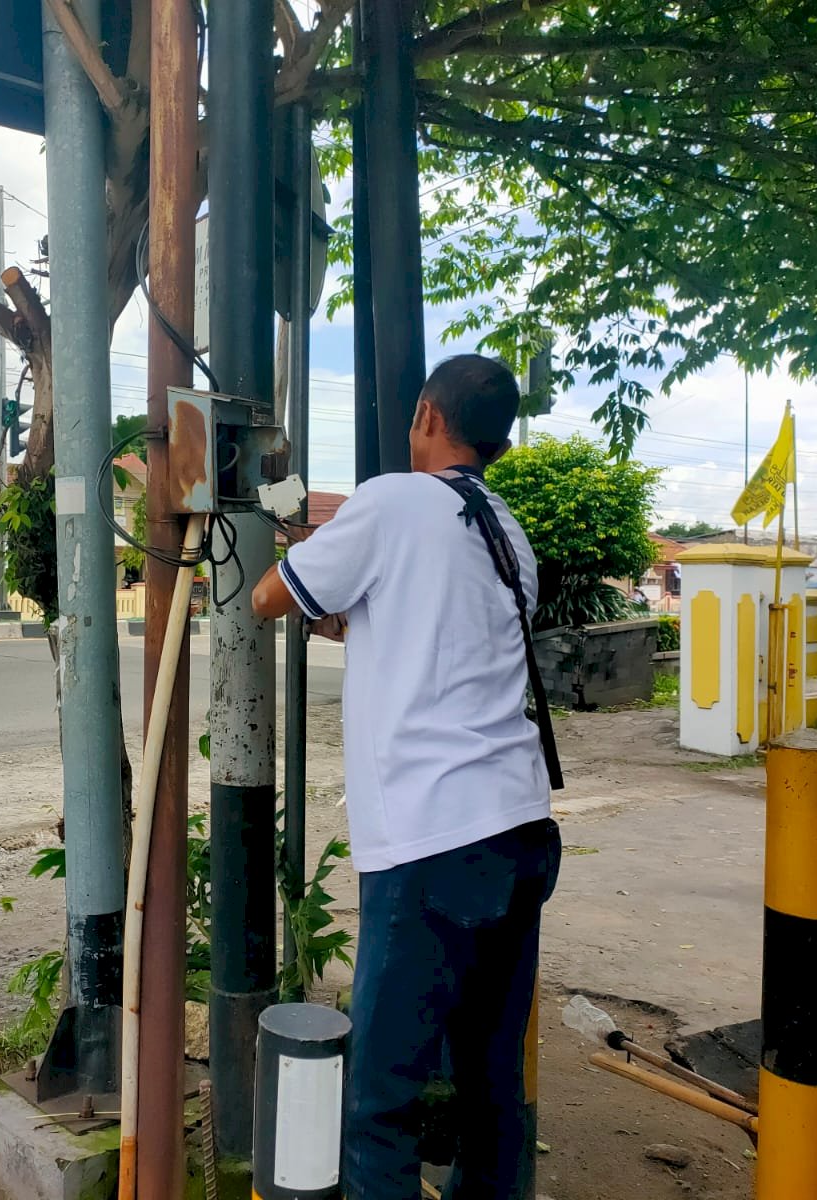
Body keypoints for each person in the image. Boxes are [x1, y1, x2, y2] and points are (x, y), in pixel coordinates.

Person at [251, 354, 562, 1200]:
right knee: (492, 1089)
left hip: (432, 845)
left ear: (427, 415)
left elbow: (271, 599)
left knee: (380, 1104)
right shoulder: (507, 532)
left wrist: (292, 546)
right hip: (522, 832)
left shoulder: (390, 500)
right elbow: (404, 631)